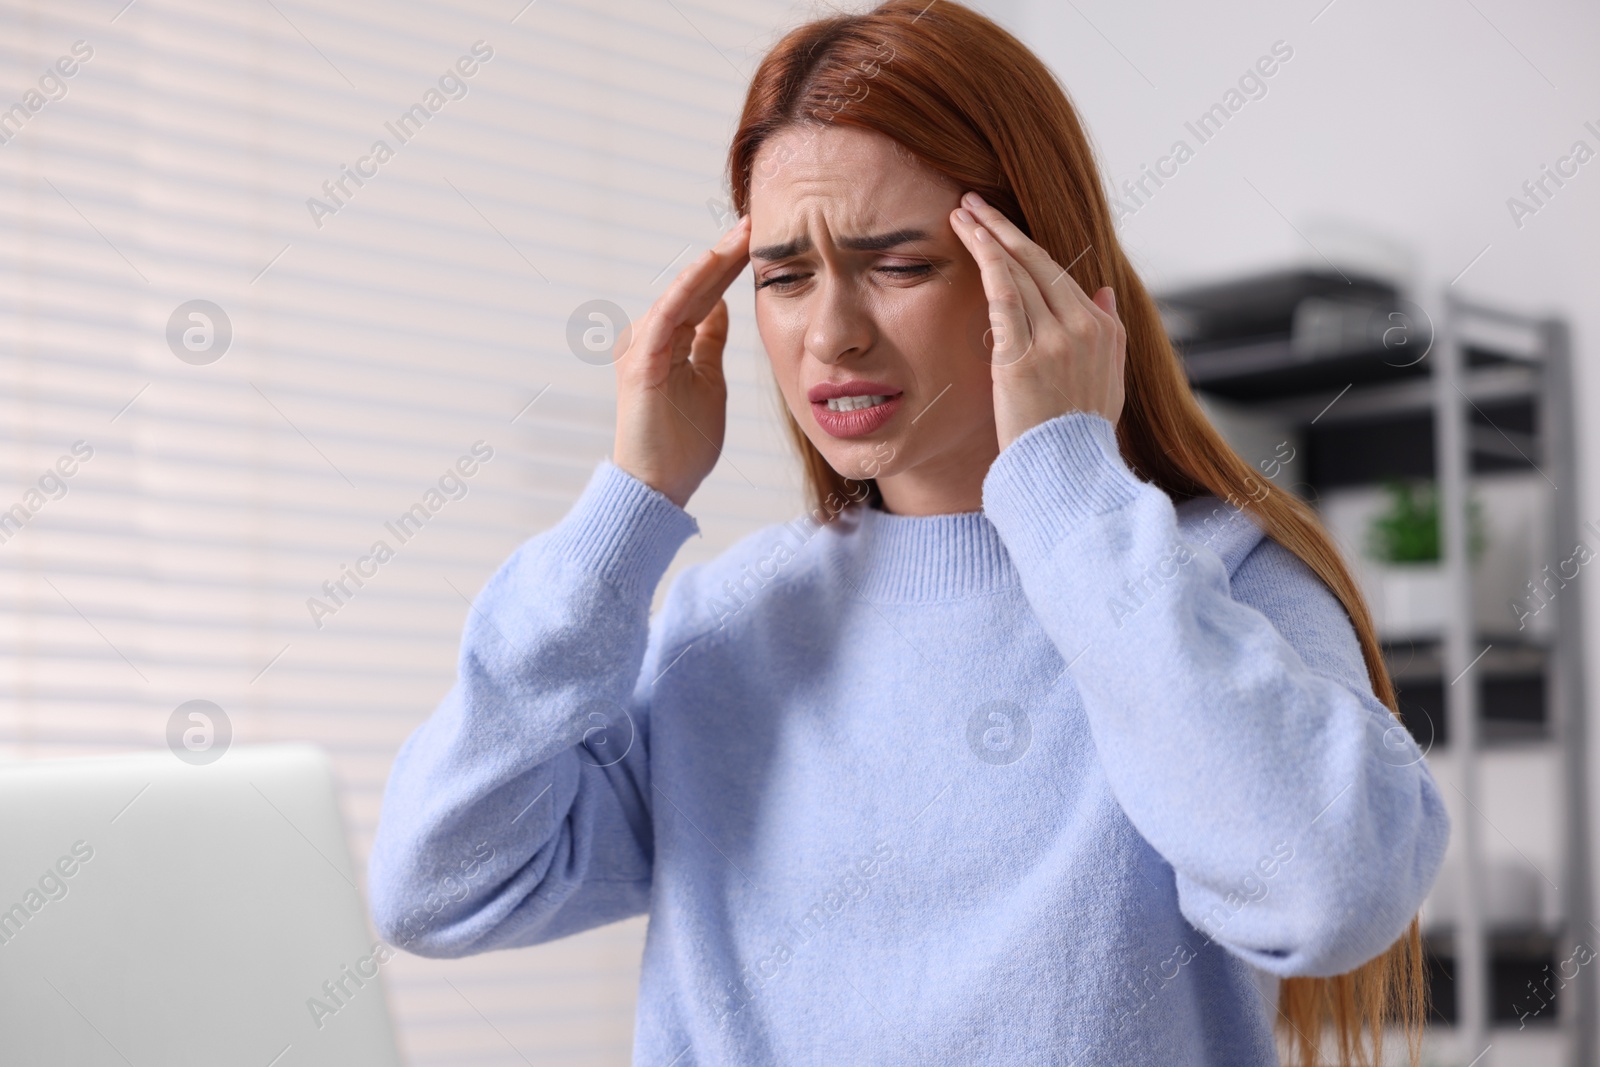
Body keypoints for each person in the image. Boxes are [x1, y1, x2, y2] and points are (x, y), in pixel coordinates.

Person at [367, 2, 1450, 1064]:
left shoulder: (1216, 579)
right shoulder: (726, 623)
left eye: (900, 264)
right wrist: (626, 508)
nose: (830, 333)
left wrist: (1069, 488)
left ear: (1038, 275)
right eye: (785, 275)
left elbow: (1332, 889)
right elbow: (437, 884)